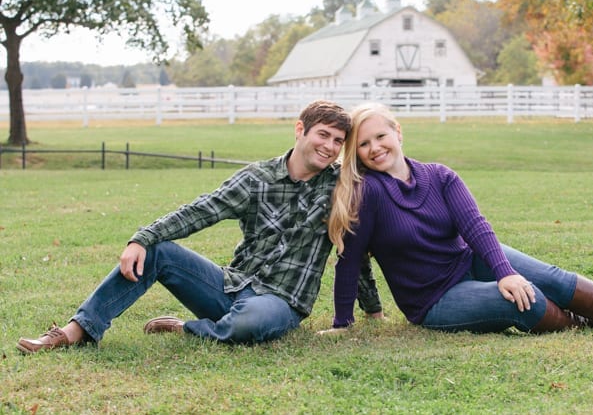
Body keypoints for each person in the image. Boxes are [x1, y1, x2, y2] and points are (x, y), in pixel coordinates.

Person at [18, 100, 383, 354]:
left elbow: (355, 249)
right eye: (323, 135)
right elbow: (201, 210)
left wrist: (372, 311)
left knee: (251, 322)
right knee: (158, 251)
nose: (330, 147)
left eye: (338, 141)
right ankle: (78, 331)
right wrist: (142, 238)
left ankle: (186, 328)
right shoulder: (256, 178)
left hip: (281, 302)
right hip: (230, 287)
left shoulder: (341, 186)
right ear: (300, 129)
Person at [324, 103, 593, 335]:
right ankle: (581, 326)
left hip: (468, 262)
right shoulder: (367, 192)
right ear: (355, 152)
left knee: (550, 278)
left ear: (398, 132)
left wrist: (503, 270)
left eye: (380, 136)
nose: (375, 148)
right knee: (524, 300)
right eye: (363, 144)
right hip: (434, 299)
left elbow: (476, 227)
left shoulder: (440, 175)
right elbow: (351, 259)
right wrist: (345, 322)